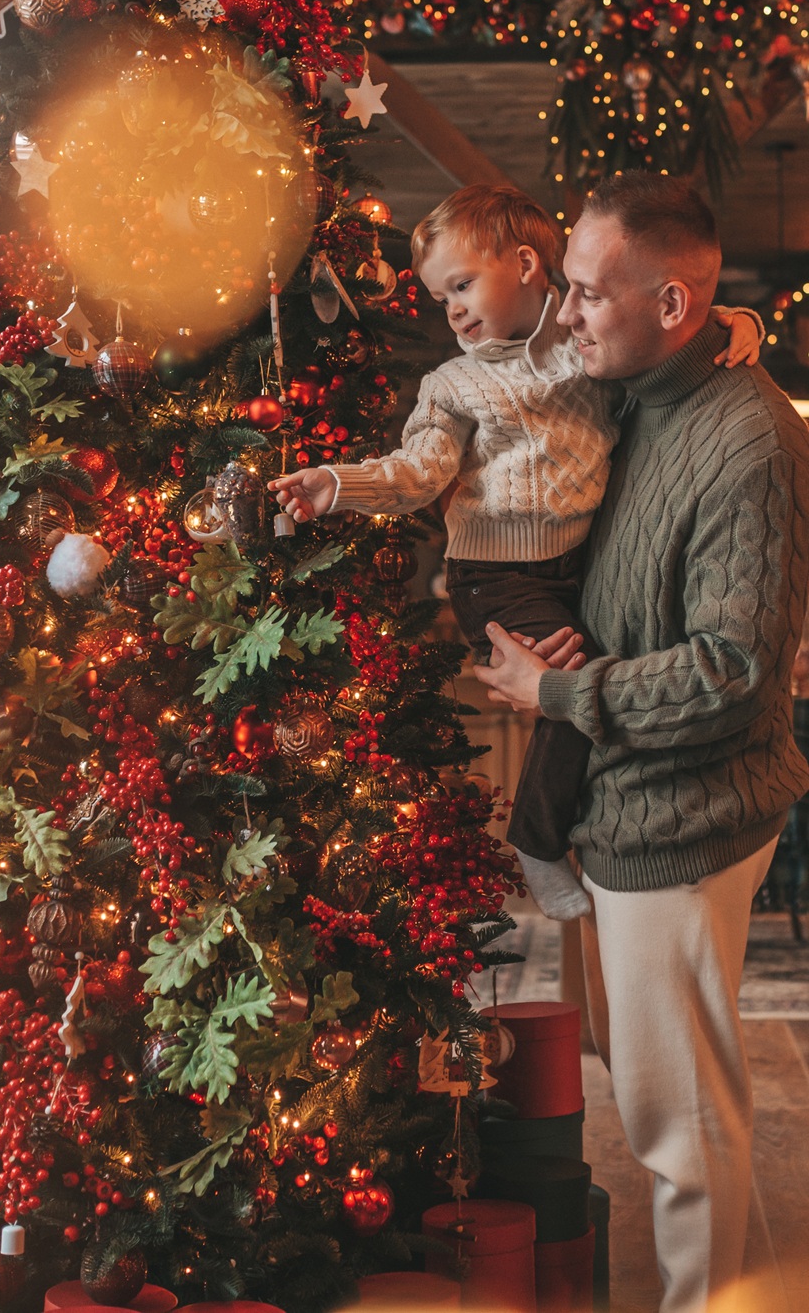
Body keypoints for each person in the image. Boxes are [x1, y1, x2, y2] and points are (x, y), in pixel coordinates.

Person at [472, 172, 809, 1313]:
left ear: (669, 306)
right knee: (680, 1105)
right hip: (626, 807)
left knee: (676, 1129)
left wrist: (557, 695)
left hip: (685, 817)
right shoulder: (640, 386)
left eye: (586, 294)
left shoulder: (748, 444)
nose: (567, 313)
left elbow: (730, 672)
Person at [269, 184, 761, 921]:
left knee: (601, 673)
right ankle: (534, 839)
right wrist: (338, 484)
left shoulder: (587, 349)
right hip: (494, 574)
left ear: (528, 264)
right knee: (571, 687)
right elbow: (418, 472)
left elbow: (663, 333)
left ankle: (594, 825)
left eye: (462, 286)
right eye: (441, 299)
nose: (453, 311)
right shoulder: (454, 383)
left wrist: (734, 320)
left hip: (574, 565)